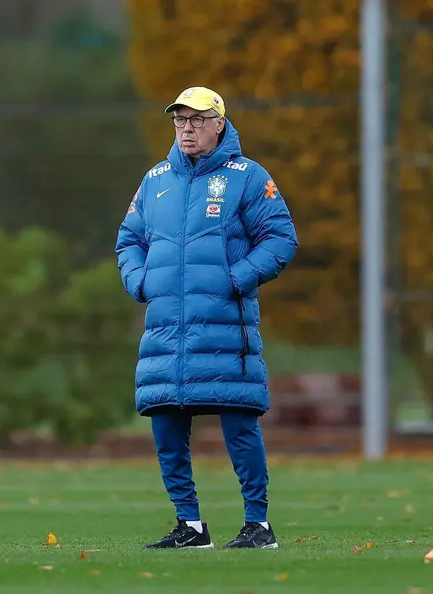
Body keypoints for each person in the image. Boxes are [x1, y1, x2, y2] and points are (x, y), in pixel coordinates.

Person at [114, 86, 298, 550]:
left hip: (225, 329)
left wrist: (236, 278)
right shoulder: (154, 180)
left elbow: (280, 238)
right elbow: (128, 240)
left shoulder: (248, 177)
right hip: (166, 335)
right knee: (166, 428)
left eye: (196, 119)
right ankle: (189, 527)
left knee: (240, 425)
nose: (187, 128)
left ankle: (258, 524)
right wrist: (140, 282)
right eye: (179, 120)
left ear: (219, 123)